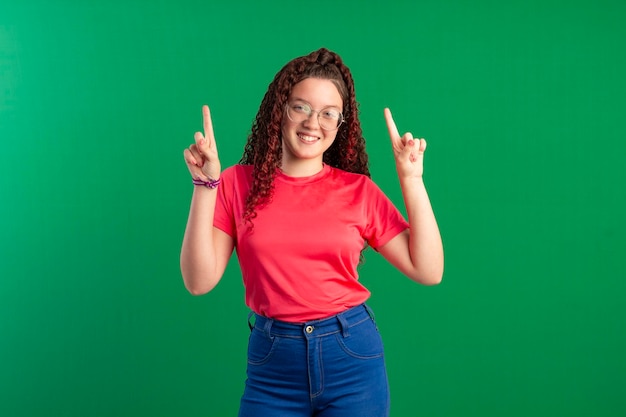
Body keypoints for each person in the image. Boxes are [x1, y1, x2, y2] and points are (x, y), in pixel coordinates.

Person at [180, 47, 443, 417]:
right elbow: (198, 281)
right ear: (280, 108)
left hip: (351, 356)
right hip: (272, 364)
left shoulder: (358, 191)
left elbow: (428, 270)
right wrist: (204, 185)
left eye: (328, 114)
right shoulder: (237, 183)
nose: (312, 123)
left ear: (341, 124)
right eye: (300, 107)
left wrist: (412, 180)